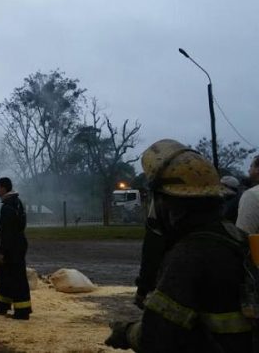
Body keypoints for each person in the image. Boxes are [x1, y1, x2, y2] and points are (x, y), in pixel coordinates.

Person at [106, 139, 251, 352]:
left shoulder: (188, 256)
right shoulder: (239, 238)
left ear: (170, 204)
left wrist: (126, 332)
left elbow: (156, 336)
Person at [0, 177, 31, 320]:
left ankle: (22, 311)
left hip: (13, 246)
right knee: (4, 274)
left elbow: (6, 232)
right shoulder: (16, 202)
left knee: (17, 277)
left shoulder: (7, 207)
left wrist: (2, 252)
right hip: (18, 243)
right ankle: (2, 305)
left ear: (4, 188)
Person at [235, 155, 259, 233]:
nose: (248, 170)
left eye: (251, 166)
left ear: (257, 169)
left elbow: (243, 235)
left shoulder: (251, 195)